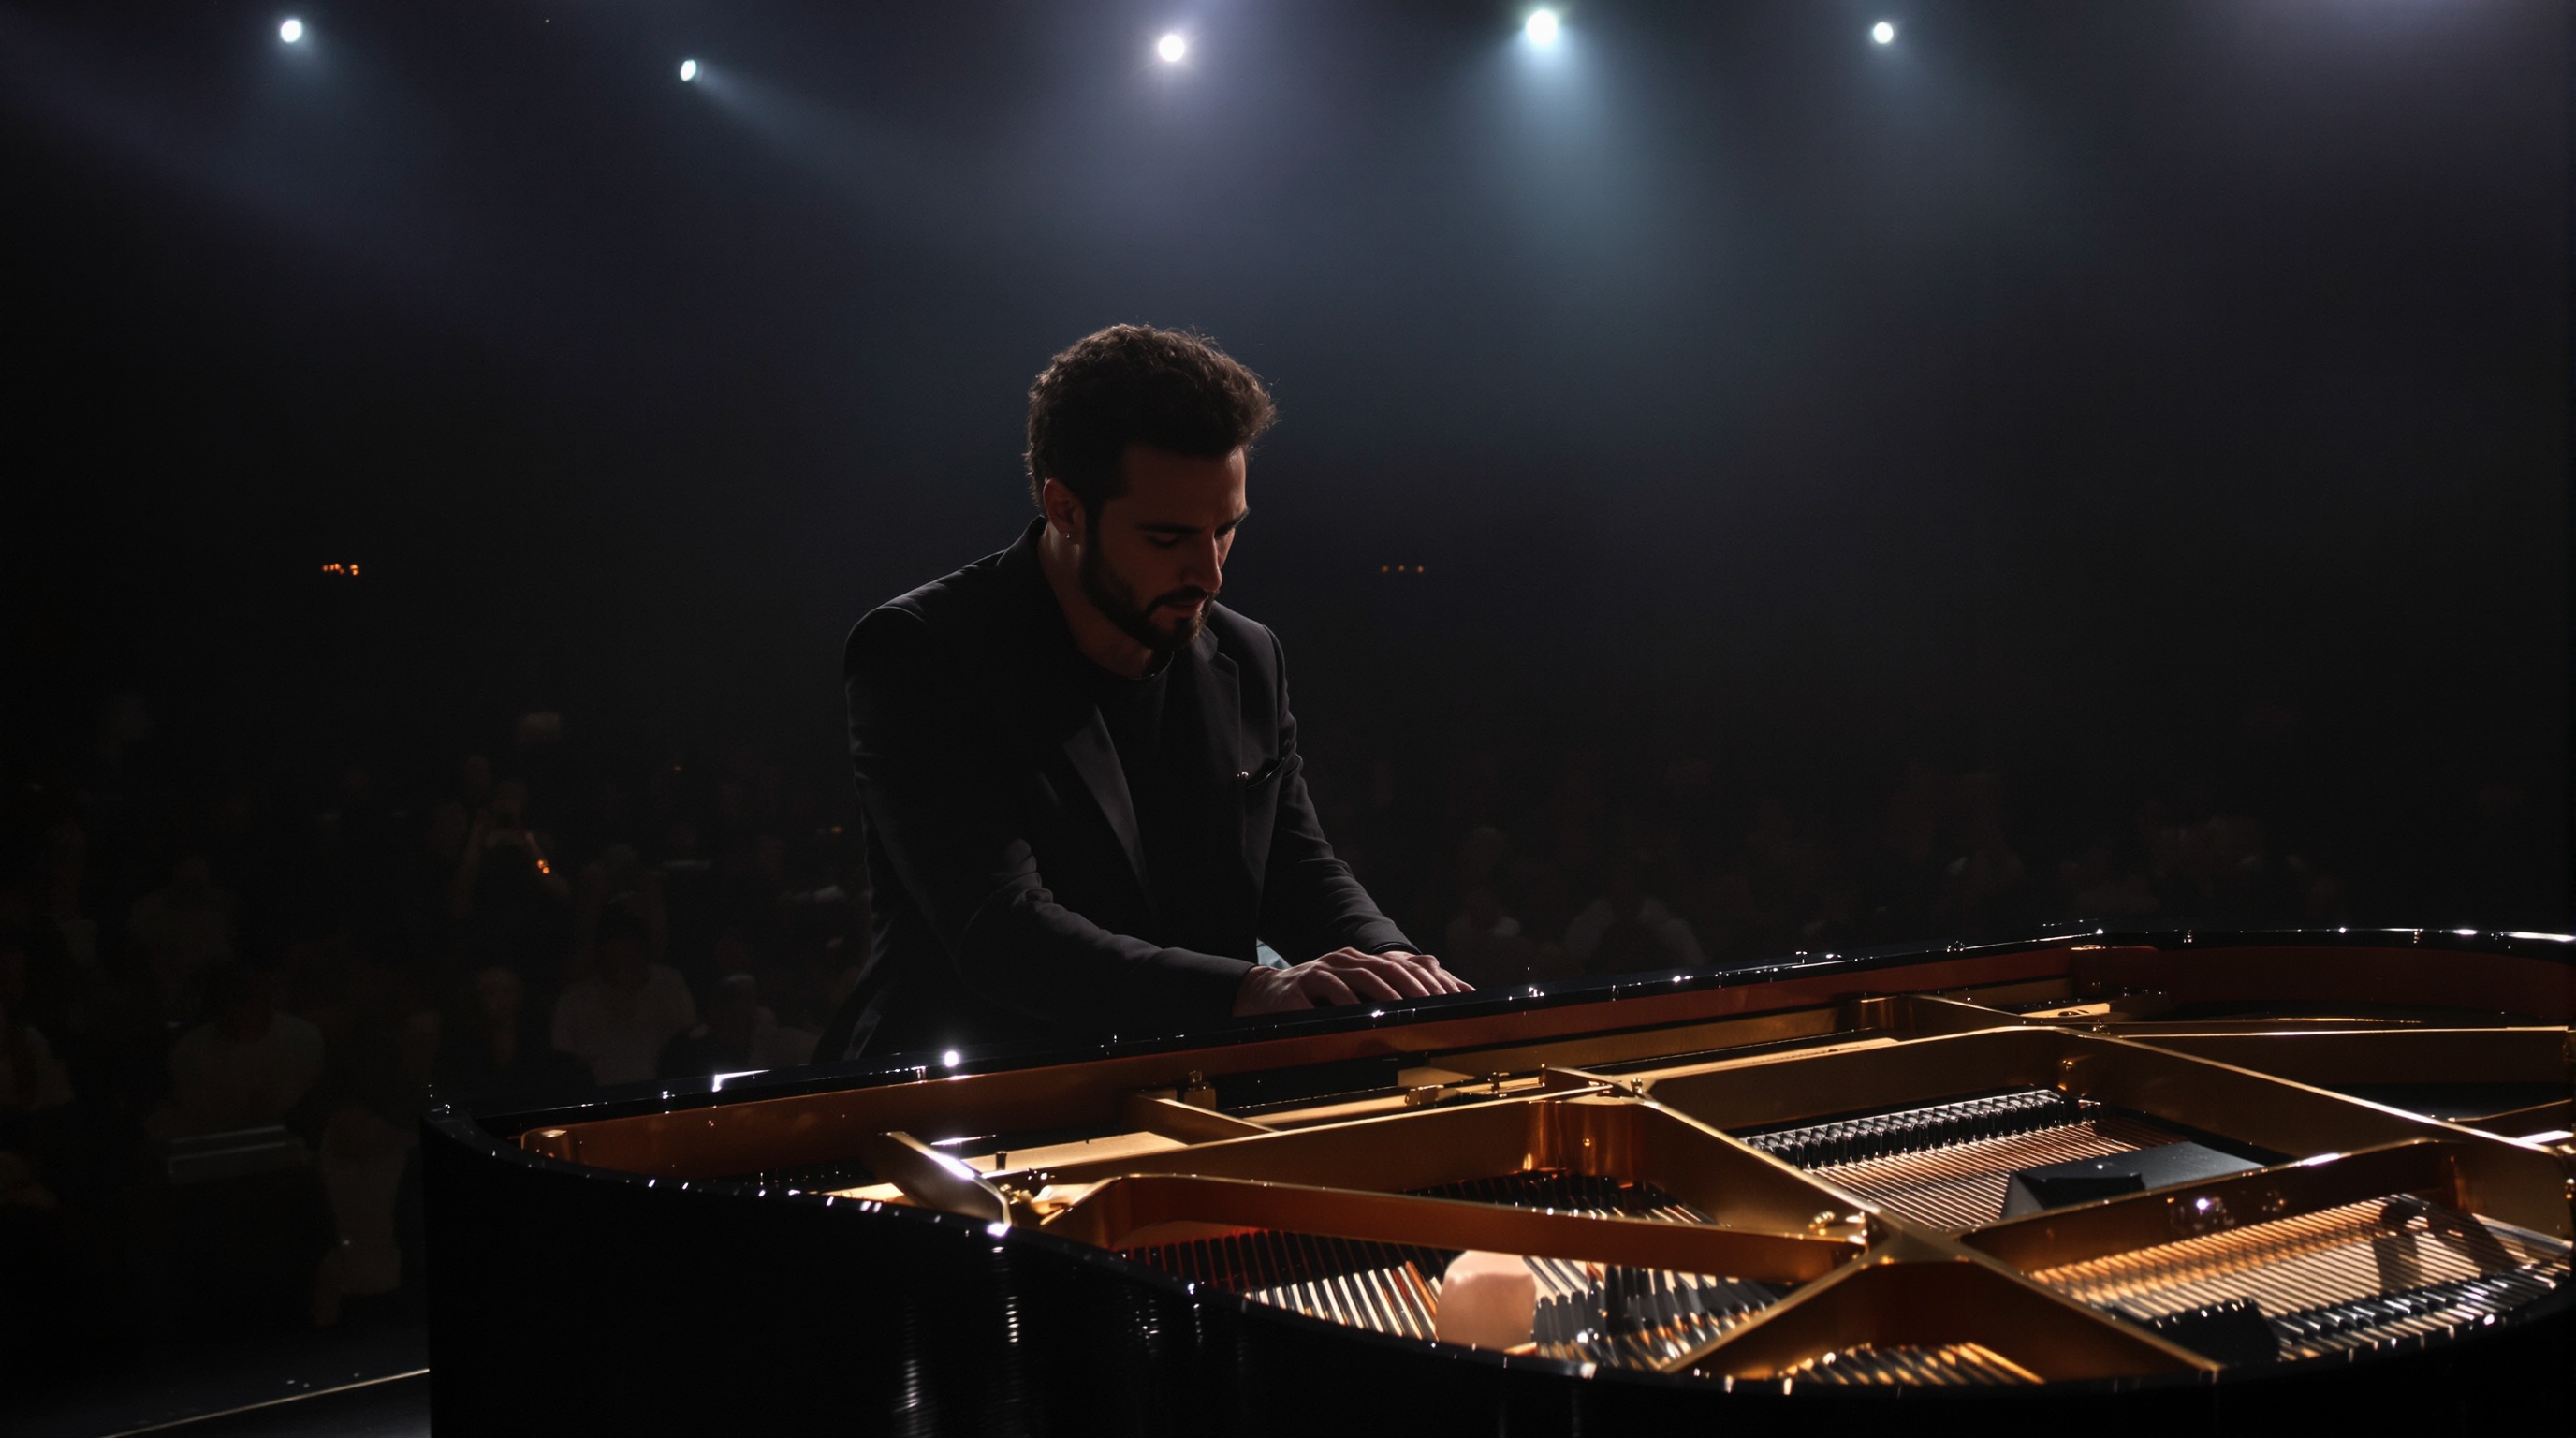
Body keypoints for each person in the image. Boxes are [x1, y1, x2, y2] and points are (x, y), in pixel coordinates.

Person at [819, 325, 1467, 1062]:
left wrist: (1404, 972)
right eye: (1168, 539)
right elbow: (998, 929)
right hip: (966, 1096)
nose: (1210, 573)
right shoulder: (923, 651)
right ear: (1065, 508)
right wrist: (1250, 992)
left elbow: (1298, 870)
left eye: (1226, 530)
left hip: (1188, 1084)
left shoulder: (1247, 654)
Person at [550, 902, 696, 1086]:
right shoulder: (574, 1000)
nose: (623, 967)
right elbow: (563, 1062)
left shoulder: (669, 985)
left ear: (645, 954)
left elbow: (688, 1044)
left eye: (631, 955)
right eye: (614, 958)